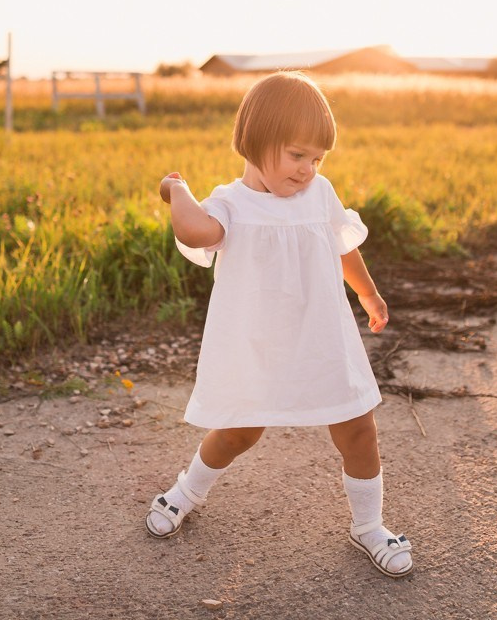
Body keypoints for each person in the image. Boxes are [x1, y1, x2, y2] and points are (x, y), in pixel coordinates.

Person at [147, 71, 413, 578]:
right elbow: (194, 227)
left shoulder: (320, 194)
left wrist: (368, 292)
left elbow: (343, 245)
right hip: (259, 344)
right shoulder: (231, 203)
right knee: (237, 433)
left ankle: (369, 526)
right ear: (255, 142)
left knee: (358, 427)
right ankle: (186, 491)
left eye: (318, 158)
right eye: (297, 155)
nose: (309, 169)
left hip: (323, 338)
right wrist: (176, 190)